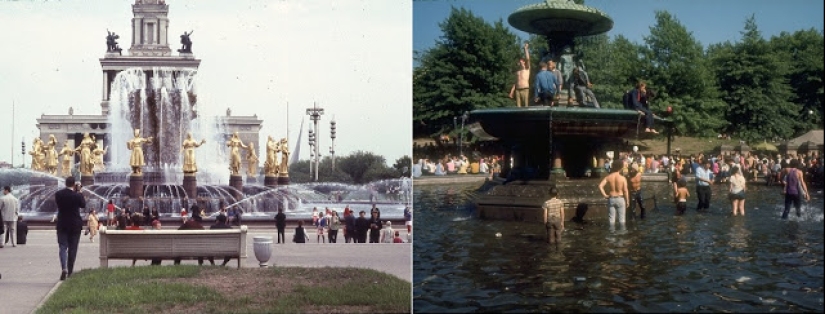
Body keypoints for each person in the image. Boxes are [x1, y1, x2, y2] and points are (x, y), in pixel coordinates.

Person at [54, 177, 86, 280]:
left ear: (65, 183)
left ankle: (64, 267)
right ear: (74, 185)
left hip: (62, 224)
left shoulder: (58, 194)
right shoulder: (77, 196)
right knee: (73, 248)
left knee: (63, 247)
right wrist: (79, 192)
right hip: (75, 225)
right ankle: (70, 271)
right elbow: (83, 205)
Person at [598, 160, 629, 231]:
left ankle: (611, 237)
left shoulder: (608, 177)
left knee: (611, 220)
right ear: (620, 168)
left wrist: (605, 195)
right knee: (622, 220)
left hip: (611, 199)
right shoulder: (623, 178)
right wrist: (627, 201)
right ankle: (622, 236)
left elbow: (600, 186)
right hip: (620, 198)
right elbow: (625, 191)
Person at [508, 42, 531, 107]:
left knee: (525, 106)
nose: (519, 61)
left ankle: (526, 116)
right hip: (517, 90)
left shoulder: (527, 69)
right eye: (519, 61)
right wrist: (511, 92)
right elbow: (515, 83)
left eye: (521, 60)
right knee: (518, 106)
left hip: (525, 89)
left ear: (523, 62)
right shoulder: (517, 72)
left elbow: (528, 59)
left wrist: (525, 49)